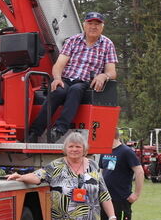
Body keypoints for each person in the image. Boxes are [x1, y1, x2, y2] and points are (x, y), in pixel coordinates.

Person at [27, 12, 118, 142]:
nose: (93, 27)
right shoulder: (73, 41)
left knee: (76, 90)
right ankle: (34, 132)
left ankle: (59, 129)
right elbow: (59, 65)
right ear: (84, 25)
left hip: (86, 82)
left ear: (102, 27)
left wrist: (104, 75)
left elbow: (112, 71)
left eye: (97, 24)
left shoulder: (107, 44)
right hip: (67, 79)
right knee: (57, 92)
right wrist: (57, 78)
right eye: (90, 23)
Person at [99, 133, 144, 220]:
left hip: (121, 198)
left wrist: (136, 194)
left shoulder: (126, 152)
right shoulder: (104, 151)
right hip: (106, 199)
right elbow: (102, 171)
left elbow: (139, 171)